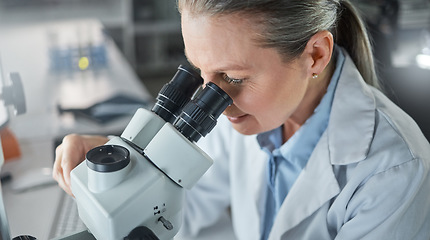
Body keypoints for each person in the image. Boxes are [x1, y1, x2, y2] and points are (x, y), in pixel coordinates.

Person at [53, 0, 430, 239]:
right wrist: (125, 176)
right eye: (199, 72)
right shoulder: (251, 114)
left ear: (314, 55)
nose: (213, 100)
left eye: (232, 78)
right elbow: (182, 211)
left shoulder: (393, 172)